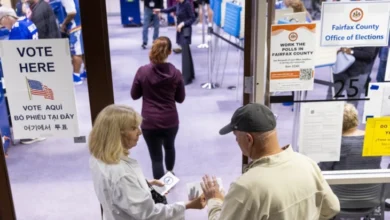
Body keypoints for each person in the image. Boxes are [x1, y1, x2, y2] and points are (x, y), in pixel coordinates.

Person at [200, 103, 340, 220]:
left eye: (236, 136)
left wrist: (214, 201)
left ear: (249, 139)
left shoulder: (246, 188)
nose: (236, 141)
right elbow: (333, 207)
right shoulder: (308, 164)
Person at [88, 104, 205, 220]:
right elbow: (150, 215)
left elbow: (116, 192)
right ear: (117, 134)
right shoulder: (122, 175)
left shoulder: (97, 158)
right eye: (133, 128)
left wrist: (142, 185)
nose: (140, 132)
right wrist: (187, 205)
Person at [131, 37, 185, 179]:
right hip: (170, 121)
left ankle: (161, 192)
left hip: (150, 122)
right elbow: (180, 99)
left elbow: (134, 95)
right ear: (169, 52)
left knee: (156, 158)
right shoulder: (176, 73)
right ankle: (170, 174)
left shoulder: (142, 72)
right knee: (169, 147)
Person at [0, 6, 46, 145]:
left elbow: (15, 53)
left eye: (2, 21)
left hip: (25, 69)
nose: (2, 25)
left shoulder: (17, 28)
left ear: (8, 17)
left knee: (26, 99)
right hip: (33, 65)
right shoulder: (27, 22)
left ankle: (32, 133)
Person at [319, 103, 382, 171]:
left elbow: (323, 170)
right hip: (375, 181)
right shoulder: (374, 139)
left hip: (342, 181)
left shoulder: (335, 144)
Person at [154, 0, 196, 85]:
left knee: (185, 54)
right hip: (181, 31)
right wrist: (160, 10)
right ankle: (190, 74)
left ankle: (187, 78)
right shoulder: (178, 4)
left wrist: (182, 24)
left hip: (185, 31)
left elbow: (192, 18)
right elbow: (169, 9)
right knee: (186, 53)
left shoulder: (187, 4)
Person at [58, 0, 86, 85]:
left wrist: (63, 24)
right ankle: (86, 71)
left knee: (76, 53)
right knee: (82, 51)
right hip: (80, 25)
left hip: (75, 28)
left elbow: (72, 12)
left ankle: (76, 76)